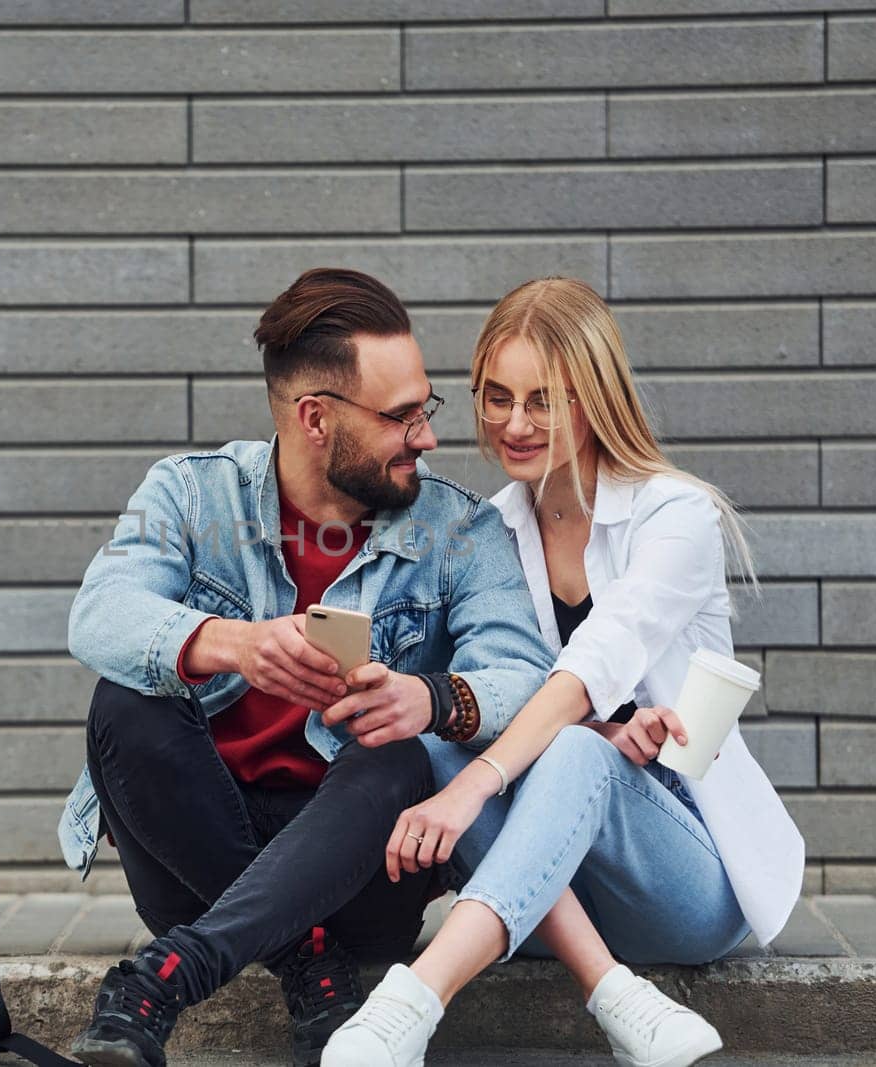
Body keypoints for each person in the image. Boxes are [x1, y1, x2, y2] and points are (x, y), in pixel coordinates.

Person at [57, 267, 556, 1067]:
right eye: (401, 418)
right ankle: (304, 960)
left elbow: (530, 677)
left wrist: (428, 698)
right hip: (198, 853)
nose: (426, 436)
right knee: (126, 704)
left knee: (400, 749)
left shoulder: (459, 528)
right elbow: (100, 612)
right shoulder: (191, 494)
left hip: (361, 866)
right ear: (315, 417)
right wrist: (233, 643)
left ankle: (162, 982)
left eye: (425, 409)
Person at [324, 277, 806, 1067]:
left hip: (687, 877)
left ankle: (407, 1006)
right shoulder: (491, 532)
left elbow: (596, 660)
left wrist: (501, 773)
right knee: (439, 743)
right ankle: (616, 995)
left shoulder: (673, 517)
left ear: (594, 397)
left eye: (544, 400)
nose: (515, 424)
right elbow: (500, 699)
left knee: (539, 756)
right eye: (497, 397)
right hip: (556, 890)